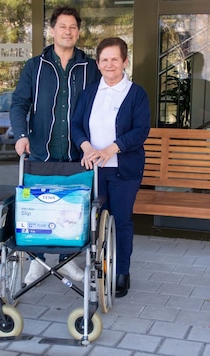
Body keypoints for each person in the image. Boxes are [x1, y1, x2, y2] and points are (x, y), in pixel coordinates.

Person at [10, 5, 101, 285]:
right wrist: (20, 134)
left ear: (78, 31)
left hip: (77, 155)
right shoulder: (34, 66)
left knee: (74, 210)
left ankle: (68, 263)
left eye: (73, 27)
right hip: (41, 152)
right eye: (63, 26)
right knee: (38, 208)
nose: (68, 31)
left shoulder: (89, 67)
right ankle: (36, 263)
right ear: (53, 30)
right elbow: (19, 104)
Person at [70, 37, 150, 298]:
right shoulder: (90, 93)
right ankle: (100, 268)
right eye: (104, 59)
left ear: (125, 61)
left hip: (124, 171)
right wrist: (86, 148)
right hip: (95, 171)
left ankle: (122, 273)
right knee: (96, 222)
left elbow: (140, 131)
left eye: (115, 58)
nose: (110, 64)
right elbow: (76, 125)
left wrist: (111, 148)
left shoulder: (136, 94)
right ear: (98, 63)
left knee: (122, 221)